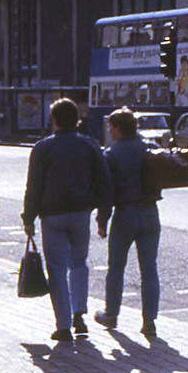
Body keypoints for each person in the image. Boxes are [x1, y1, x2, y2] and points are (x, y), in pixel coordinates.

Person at [21, 97, 111, 342]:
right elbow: (104, 182)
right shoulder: (90, 145)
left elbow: (34, 186)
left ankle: (63, 326)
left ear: (54, 120)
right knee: (79, 263)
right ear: (77, 119)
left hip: (52, 215)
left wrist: (28, 217)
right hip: (81, 212)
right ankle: (79, 313)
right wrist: (103, 215)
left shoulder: (43, 148)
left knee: (57, 269)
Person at [95, 106, 162, 338]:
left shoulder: (112, 154)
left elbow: (106, 192)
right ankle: (149, 321)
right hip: (150, 211)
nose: (109, 131)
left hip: (125, 213)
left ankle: (111, 314)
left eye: (111, 127)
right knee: (149, 268)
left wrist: (102, 220)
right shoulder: (149, 147)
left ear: (117, 128)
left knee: (116, 266)